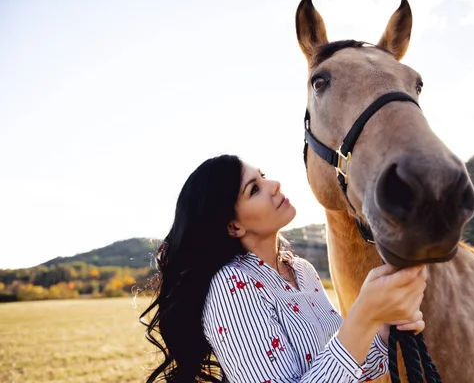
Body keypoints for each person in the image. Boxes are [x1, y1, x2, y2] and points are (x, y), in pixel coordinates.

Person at [141, 154, 427, 383]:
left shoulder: (302, 270)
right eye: (254, 189)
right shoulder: (232, 286)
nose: (274, 184)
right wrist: (364, 315)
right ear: (234, 226)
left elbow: (344, 370)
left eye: (263, 176)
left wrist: (384, 329)